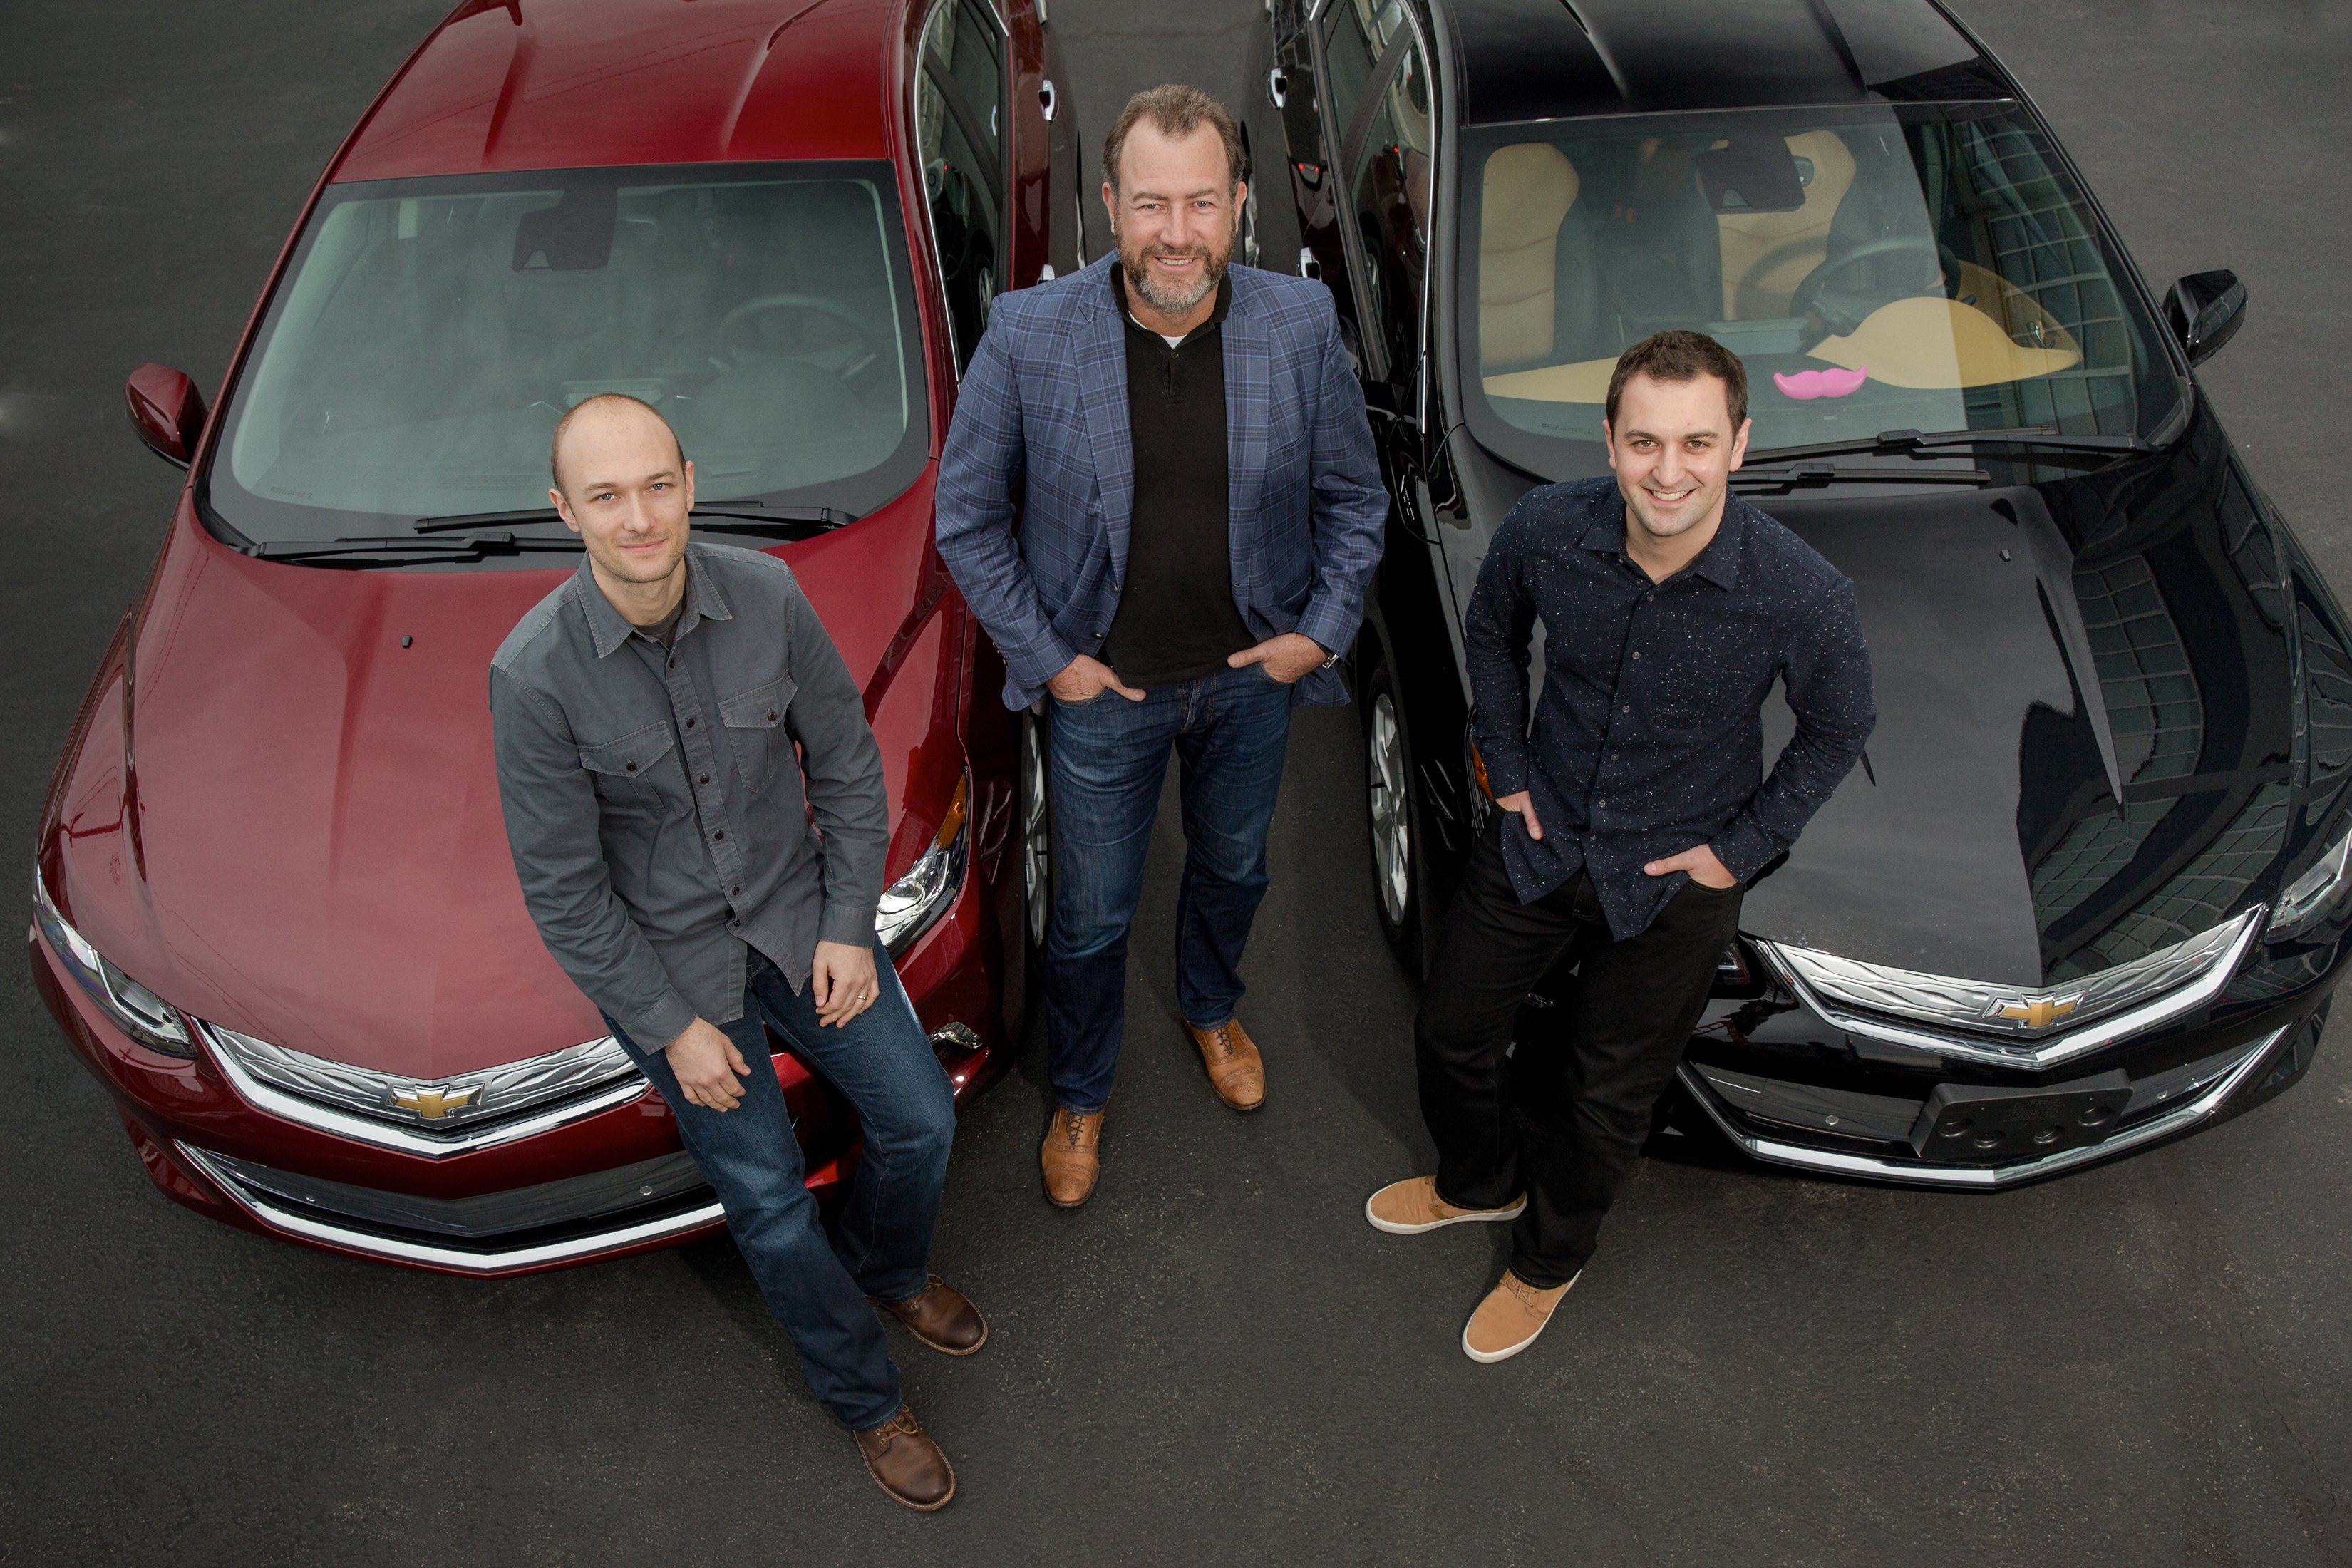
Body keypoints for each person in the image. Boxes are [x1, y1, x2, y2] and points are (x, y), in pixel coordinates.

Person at [490, 393, 980, 1511]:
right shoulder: (533, 676)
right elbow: (565, 896)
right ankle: (864, 1397)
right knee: (767, 1200)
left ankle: (889, 1273)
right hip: (672, 973)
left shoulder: (769, 597)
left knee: (922, 1118)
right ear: (564, 510)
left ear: (691, 483)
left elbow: (851, 774)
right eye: (605, 496)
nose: (638, 518)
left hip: (801, 916)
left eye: (656, 486)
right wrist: (672, 1031)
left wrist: (851, 926)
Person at [1366, 331, 1875, 1363]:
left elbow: (1838, 729)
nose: (1669, 471)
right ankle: (1479, 1182)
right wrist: (1503, 766)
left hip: (1675, 881)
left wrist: (1739, 852)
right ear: (1609, 441)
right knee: (1451, 1033)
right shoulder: (1548, 532)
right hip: (1542, 839)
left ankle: (1549, 1259)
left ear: (1739, 444)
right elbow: (1492, 636)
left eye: (1696, 443)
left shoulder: (1802, 590)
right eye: (1645, 442)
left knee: (1605, 1097)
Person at [935, 85, 1386, 1208]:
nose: (1174, 233)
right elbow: (968, 519)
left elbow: (1354, 500)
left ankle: (1208, 1007)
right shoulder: (1031, 336)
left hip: (1250, 688)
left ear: (1239, 204)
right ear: (1107, 207)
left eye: (1199, 203)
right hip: (1102, 693)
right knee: (1088, 917)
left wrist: (1315, 638)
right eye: (1149, 204)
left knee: (1233, 868)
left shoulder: (1298, 326)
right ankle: (1082, 1091)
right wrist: (1053, 663)